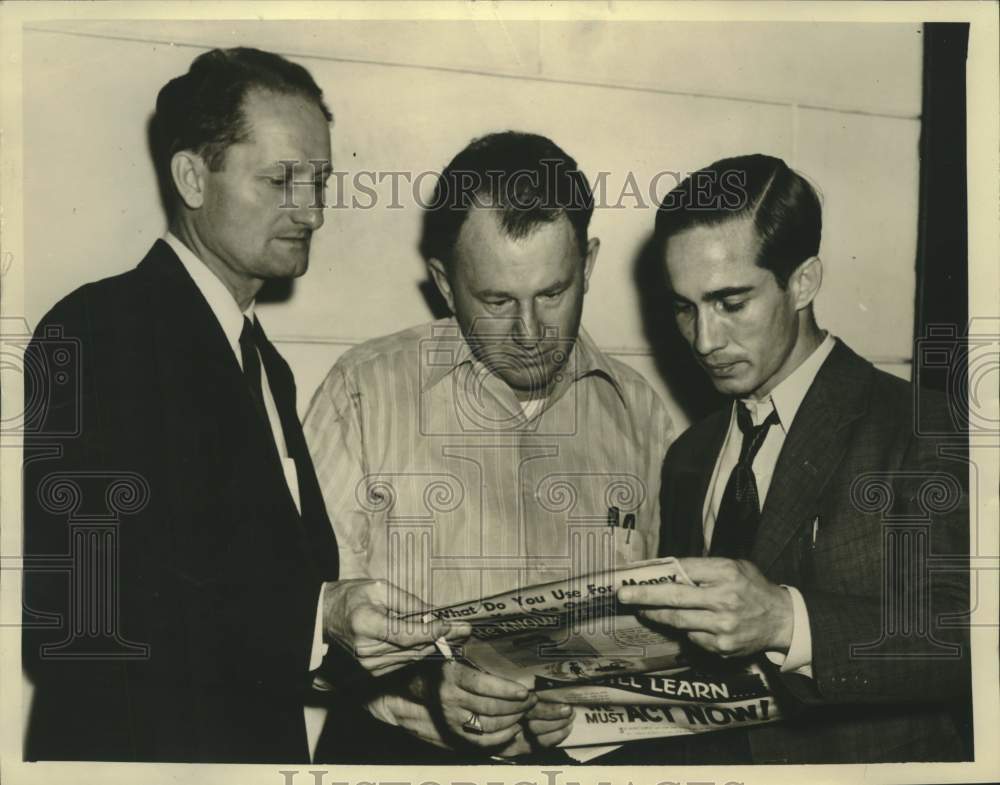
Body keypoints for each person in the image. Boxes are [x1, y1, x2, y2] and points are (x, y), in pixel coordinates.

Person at [21, 47, 463, 764]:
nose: (312, 211)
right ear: (192, 177)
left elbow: (259, 602)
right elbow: (90, 615)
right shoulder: (100, 329)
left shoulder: (262, 362)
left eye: (319, 181)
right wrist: (319, 616)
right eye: (281, 180)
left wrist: (404, 669)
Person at [303, 131, 675, 762]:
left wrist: (600, 703)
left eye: (553, 294)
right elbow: (303, 626)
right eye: (497, 301)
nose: (530, 334)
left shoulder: (641, 414)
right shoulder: (362, 392)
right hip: (401, 759)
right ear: (446, 285)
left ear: (588, 264)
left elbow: (664, 638)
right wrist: (420, 686)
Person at [610, 154, 970, 763]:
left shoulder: (925, 429)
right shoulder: (690, 454)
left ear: (803, 282)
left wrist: (787, 622)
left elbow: (971, 638)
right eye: (684, 307)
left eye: (731, 302)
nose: (704, 340)